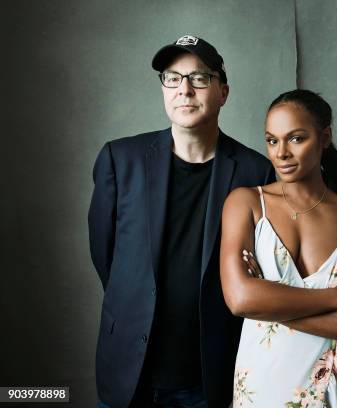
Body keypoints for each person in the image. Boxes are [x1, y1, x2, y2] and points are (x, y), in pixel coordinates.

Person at [88, 34, 274, 408]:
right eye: (172, 78)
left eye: (199, 78)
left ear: (223, 91)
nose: (184, 90)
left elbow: (261, 270)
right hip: (128, 365)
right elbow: (104, 253)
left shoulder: (257, 171)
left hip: (211, 372)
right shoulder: (120, 159)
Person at [220, 89, 337, 407]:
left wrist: (272, 307)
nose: (281, 152)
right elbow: (241, 298)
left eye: (296, 138)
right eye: (272, 140)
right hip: (263, 385)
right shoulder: (246, 204)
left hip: (334, 390)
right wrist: (336, 299)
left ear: (324, 137)